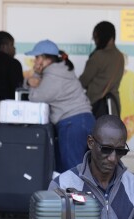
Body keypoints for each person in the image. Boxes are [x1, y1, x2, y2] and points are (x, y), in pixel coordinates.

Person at [24, 40, 95, 172]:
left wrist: (35, 75)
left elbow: (35, 97)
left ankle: (78, 193)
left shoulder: (53, 76)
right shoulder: (61, 70)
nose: (34, 61)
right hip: (84, 121)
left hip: (72, 124)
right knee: (83, 169)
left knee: (73, 171)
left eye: (37, 57)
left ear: (46, 59)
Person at [79, 21, 125, 118]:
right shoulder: (120, 56)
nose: (95, 41)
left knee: (96, 132)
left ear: (102, 36)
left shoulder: (98, 56)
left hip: (97, 106)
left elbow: (83, 82)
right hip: (113, 106)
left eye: (95, 37)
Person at [118, 53, 134, 139]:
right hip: (120, 108)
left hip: (131, 108)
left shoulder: (132, 75)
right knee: (120, 131)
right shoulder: (114, 76)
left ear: (127, 62)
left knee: (132, 130)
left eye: (124, 60)